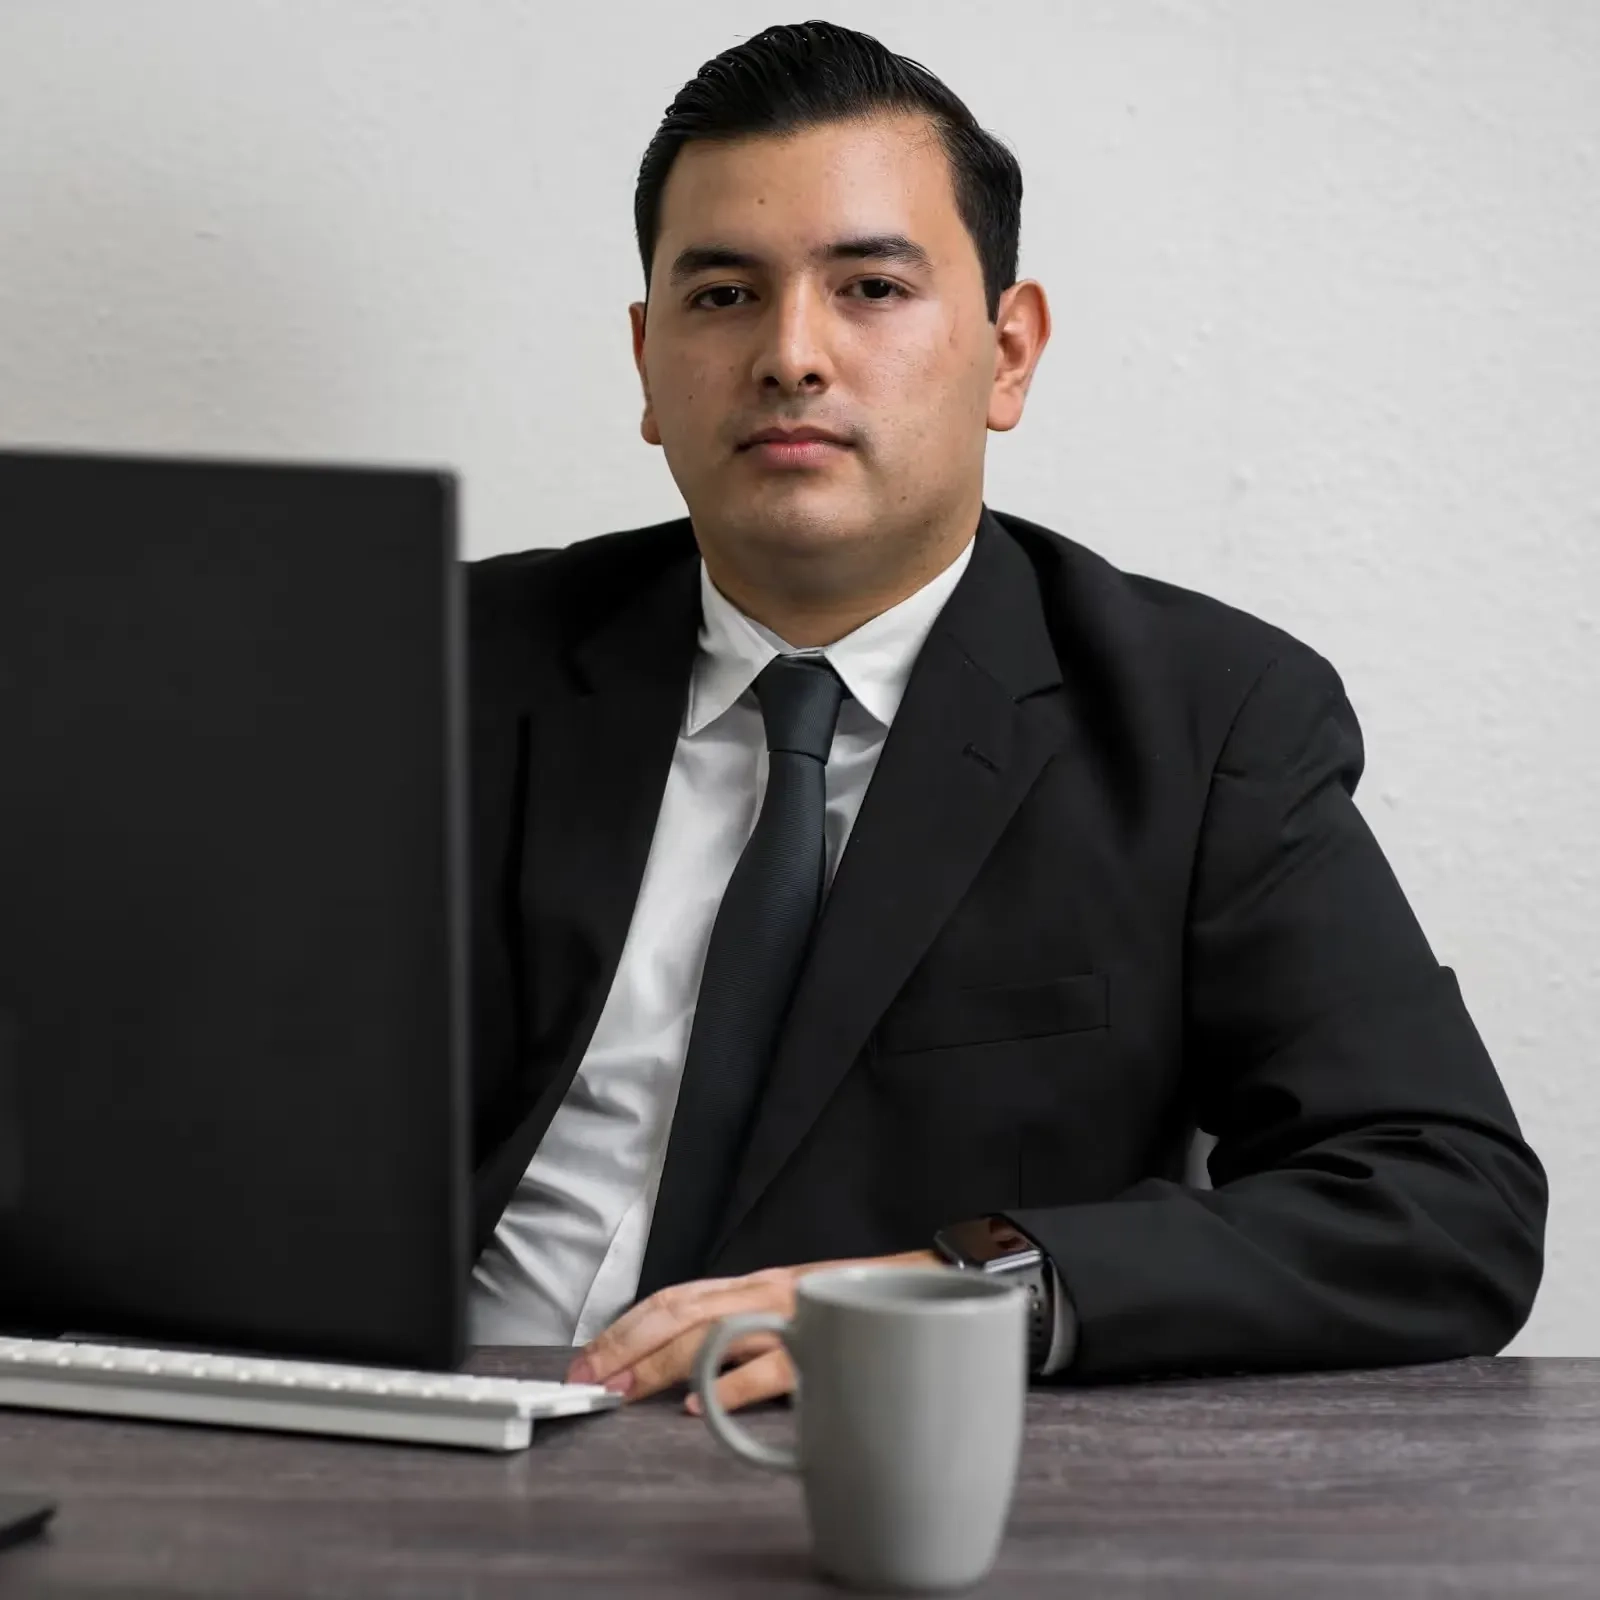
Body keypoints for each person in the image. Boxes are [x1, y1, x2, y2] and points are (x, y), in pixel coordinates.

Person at [464, 20, 1546, 1415]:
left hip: (852, 1462)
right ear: (646, 363)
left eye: (870, 288)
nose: (791, 354)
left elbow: (1444, 1204)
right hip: (394, 1431)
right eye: (723, 294)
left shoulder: (1207, 725)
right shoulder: (440, 662)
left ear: (1009, 352)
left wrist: (972, 1292)